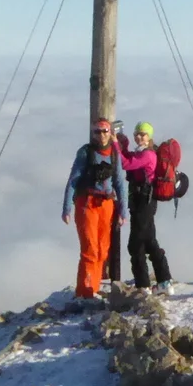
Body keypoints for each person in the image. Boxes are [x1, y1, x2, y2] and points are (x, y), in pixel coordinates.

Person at [62, 118, 128, 299]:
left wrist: (123, 210)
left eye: (105, 131)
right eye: (97, 131)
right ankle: (85, 292)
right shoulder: (85, 153)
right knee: (90, 250)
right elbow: (73, 180)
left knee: (102, 249)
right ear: (93, 133)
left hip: (106, 205)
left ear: (110, 132)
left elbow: (120, 183)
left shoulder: (114, 153)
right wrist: (67, 207)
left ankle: (94, 287)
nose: (101, 135)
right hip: (87, 203)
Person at [120, 121, 173, 290]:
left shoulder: (148, 155)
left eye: (143, 134)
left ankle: (144, 285)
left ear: (149, 136)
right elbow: (129, 159)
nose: (139, 137)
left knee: (135, 245)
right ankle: (163, 281)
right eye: (137, 133)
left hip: (144, 201)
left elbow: (126, 164)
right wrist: (124, 145)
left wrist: (115, 145)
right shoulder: (142, 152)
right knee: (148, 242)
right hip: (141, 201)